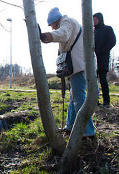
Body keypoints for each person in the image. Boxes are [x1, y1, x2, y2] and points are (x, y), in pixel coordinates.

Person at [40, 7, 95, 137]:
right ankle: (70, 126)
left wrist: (46, 36)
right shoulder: (69, 23)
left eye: (52, 25)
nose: (52, 28)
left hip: (79, 66)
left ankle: (88, 132)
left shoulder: (67, 22)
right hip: (78, 66)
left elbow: (63, 34)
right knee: (73, 98)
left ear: (55, 21)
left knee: (79, 98)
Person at [93, 13, 116, 108]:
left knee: (103, 80)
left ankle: (106, 102)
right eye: (93, 19)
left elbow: (112, 41)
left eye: (96, 19)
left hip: (103, 59)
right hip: (93, 60)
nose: (94, 21)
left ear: (100, 19)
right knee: (93, 81)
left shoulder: (107, 29)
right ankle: (95, 101)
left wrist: (103, 51)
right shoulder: (93, 32)